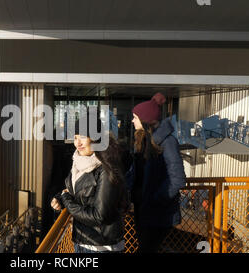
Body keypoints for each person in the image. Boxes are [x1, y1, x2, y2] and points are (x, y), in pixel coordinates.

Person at [51, 111, 127, 253]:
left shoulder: (106, 168)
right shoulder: (78, 163)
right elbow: (75, 192)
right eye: (75, 137)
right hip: (82, 240)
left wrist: (66, 200)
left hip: (101, 246)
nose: (77, 143)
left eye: (83, 137)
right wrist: (60, 198)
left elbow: (99, 215)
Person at [126, 92, 186, 253]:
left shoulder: (168, 142)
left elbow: (178, 179)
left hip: (157, 213)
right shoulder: (142, 140)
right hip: (142, 210)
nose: (132, 121)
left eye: (135, 117)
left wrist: (154, 198)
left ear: (145, 121)